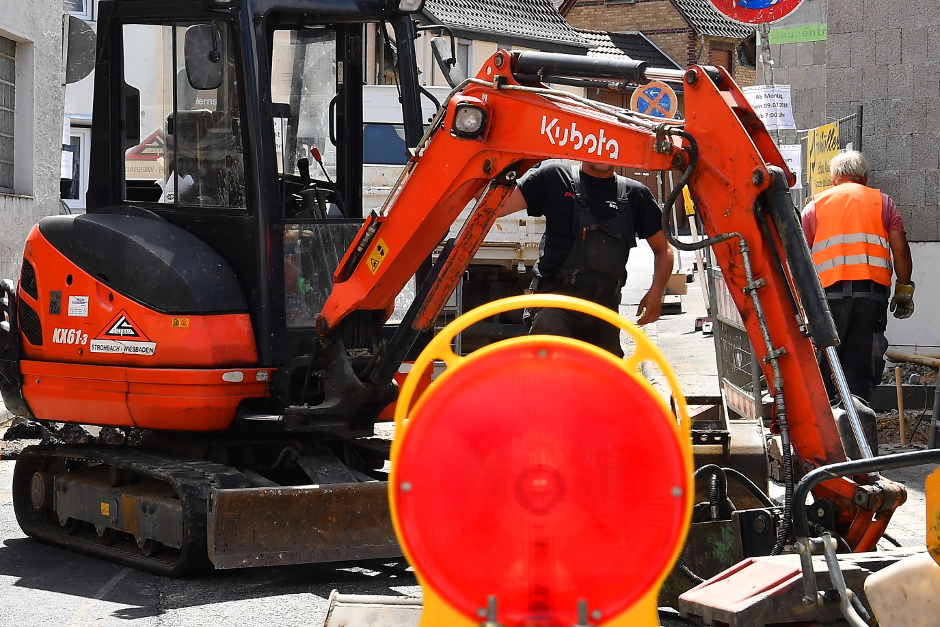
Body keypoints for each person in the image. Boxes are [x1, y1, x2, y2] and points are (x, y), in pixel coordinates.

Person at [498, 160, 675, 357]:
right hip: (556, 304)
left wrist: (656, 292)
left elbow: (663, 249)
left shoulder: (636, 195)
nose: (603, 155)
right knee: (553, 374)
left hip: (603, 313)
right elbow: (497, 207)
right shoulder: (554, 177)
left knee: (604, 383)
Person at [801, 150, 914, 402]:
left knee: (828, 358)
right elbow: (901, 250)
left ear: (834, 178)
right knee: (862, 362)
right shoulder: (883, 203)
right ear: (864, 177)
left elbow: (798, 258)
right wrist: (904, 289)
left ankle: (830, 421)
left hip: (827, 297)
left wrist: (801, 301)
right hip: (870, 296)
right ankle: (858, 422)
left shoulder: (814, 206)